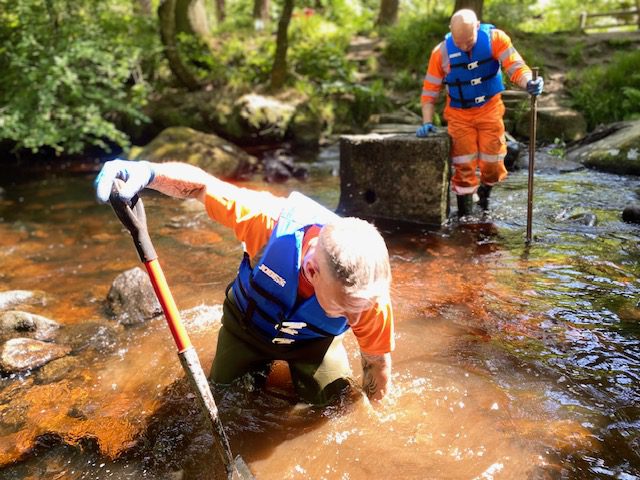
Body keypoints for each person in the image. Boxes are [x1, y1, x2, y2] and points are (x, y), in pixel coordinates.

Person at [95, 159, 394, 406]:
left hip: (312, 344)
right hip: (246, 329)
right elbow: (202, 186)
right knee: (221, 402)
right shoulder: (265, 223)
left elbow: (376, 365)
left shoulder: (367, 295)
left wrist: (377, 420)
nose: (355, 320)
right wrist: (147, 172)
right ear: (312, 269)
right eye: (343, 311)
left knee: (335, 409)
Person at [416, 9, 544, 217]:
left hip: (489, 109)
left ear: (477, 26)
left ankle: (484, 194)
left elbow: (516, 66)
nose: (465, 46)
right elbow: (429, 92)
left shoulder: (495, 39)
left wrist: (529, 82)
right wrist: (427, 122)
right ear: (450, 32)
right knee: (463, 165)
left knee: (493, 164)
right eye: (459, 43)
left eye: (469, 41)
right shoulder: (440, 53)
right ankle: (465, 215)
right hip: (459, 114)